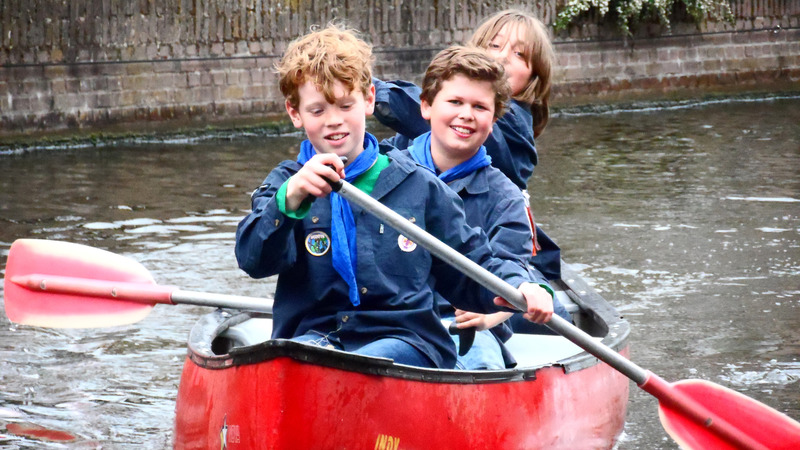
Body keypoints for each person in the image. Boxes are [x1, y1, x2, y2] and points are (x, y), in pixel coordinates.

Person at [235, 24, 553, 370]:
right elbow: (254, 260)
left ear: (369, 99)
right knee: (296, 358)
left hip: (406, 341)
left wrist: (524, 286)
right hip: (315, 339)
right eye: (318, 110)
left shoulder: (419, 185)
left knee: (345, 363)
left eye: (345, 105)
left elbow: (476, 264)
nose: (334, 121)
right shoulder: (285, 183)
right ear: (295, 114)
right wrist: (290, 200)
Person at [372, 10, 570, 326]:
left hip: (499, 259)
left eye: (519, 54)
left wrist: (369, 91)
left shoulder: (513, 125)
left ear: (533, 78)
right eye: (494, 46)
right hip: (414, 280)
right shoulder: (401, 153)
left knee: (546, 312)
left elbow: (411, 111)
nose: (503, 58)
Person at [394, 45, 555, 369]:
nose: (466, 114)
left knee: (481, 360)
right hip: (390, 322)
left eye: (480, 106)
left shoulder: (506, 199)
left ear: (494, 121)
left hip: (467, 328)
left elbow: (510, 268)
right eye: (455, 102)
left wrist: (494, 313)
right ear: (426, 106)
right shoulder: (384, 172)